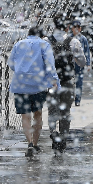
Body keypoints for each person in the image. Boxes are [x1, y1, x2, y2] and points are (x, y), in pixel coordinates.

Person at [8, 26, 60, 157]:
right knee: (38, 114)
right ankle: (36, 145)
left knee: (25, 116)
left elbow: (11, 63)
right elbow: (50, 64)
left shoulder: (18, 44)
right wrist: (54, 81)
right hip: (37, 85)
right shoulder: (44, 44)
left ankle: (29, 143)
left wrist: (21, 71)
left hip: (20, 85)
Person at [47, 19, 86, 154]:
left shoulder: (46, 41)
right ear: (67, 27)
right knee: (65, 111)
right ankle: (63, 138)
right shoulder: (73, 41)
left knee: (52, 111)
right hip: (68, 81)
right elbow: (82, 62)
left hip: (52, 82)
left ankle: (53, 133)